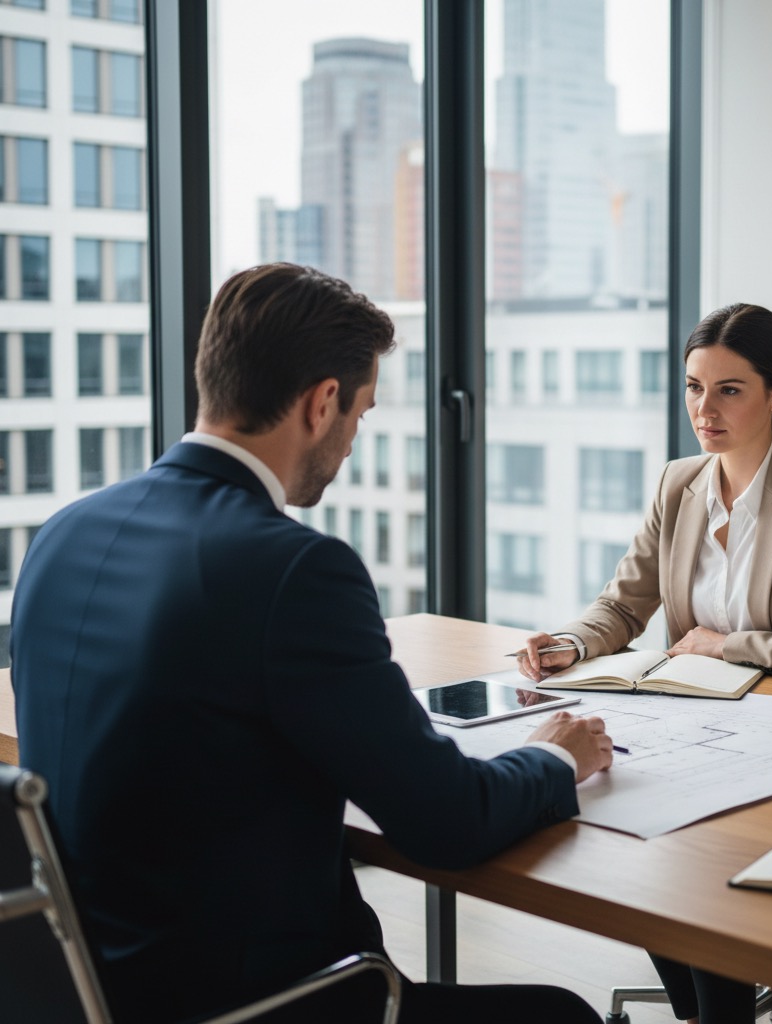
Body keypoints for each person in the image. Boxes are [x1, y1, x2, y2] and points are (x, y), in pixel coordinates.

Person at [10, 263, 614, 1024]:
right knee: (563, 1016)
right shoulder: (294, 568)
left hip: (84, 991)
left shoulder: (63, 533)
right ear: (322, 402)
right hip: (256, 1005)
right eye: (361, 414)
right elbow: (449, 823)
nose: (355, 439)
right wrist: (556, 752)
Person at [517, 302, 772, 1024]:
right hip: (693, 727)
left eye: (729, 389)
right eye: (693, 387)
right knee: (619, 826)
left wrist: (727, 643)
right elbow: (622, 606)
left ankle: (716, 1008)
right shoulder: (678, 483)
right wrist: (572, 643)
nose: (704, 409)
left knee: (682, 859)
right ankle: (705, 1007)